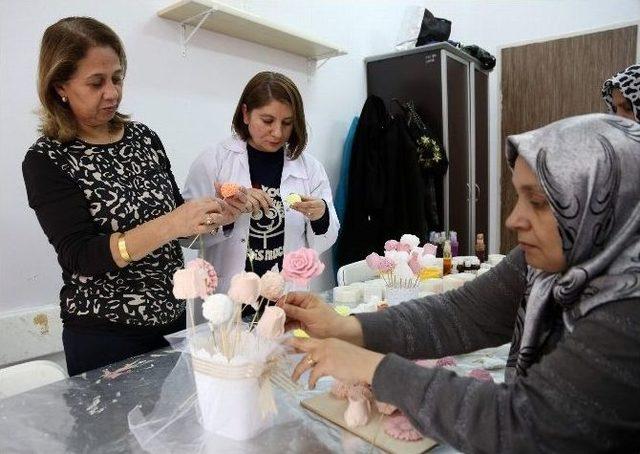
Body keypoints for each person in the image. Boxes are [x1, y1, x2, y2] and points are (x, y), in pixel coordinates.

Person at [280, 114, 640, 452]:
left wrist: (372, 368)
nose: (514, 219)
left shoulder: (629, 312)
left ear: (604, 203)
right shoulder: (548, 263)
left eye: (539, 202)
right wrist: (346, 327)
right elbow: (461, 314)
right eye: (519, 197)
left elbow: (525, 425)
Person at [22, 17, 241, 376]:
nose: (112, 93)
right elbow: (82, 256)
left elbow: (181, 233)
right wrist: (171, 223)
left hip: (171, 321)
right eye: (96, 83)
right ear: (60, 86)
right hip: (105, 337)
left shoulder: (143, 138)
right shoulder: (47, 160)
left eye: (117, 78)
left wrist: (219, 216)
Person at [183, 71, 339, 295]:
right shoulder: (213, 162)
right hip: (228, 298)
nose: (277, 132)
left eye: (287, 123)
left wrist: (321, 215)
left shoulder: (310, 169)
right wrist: (225, 218)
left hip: (286, 293)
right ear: (246, 114)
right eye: (267, 121)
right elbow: (186, 238)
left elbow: (324, 240)